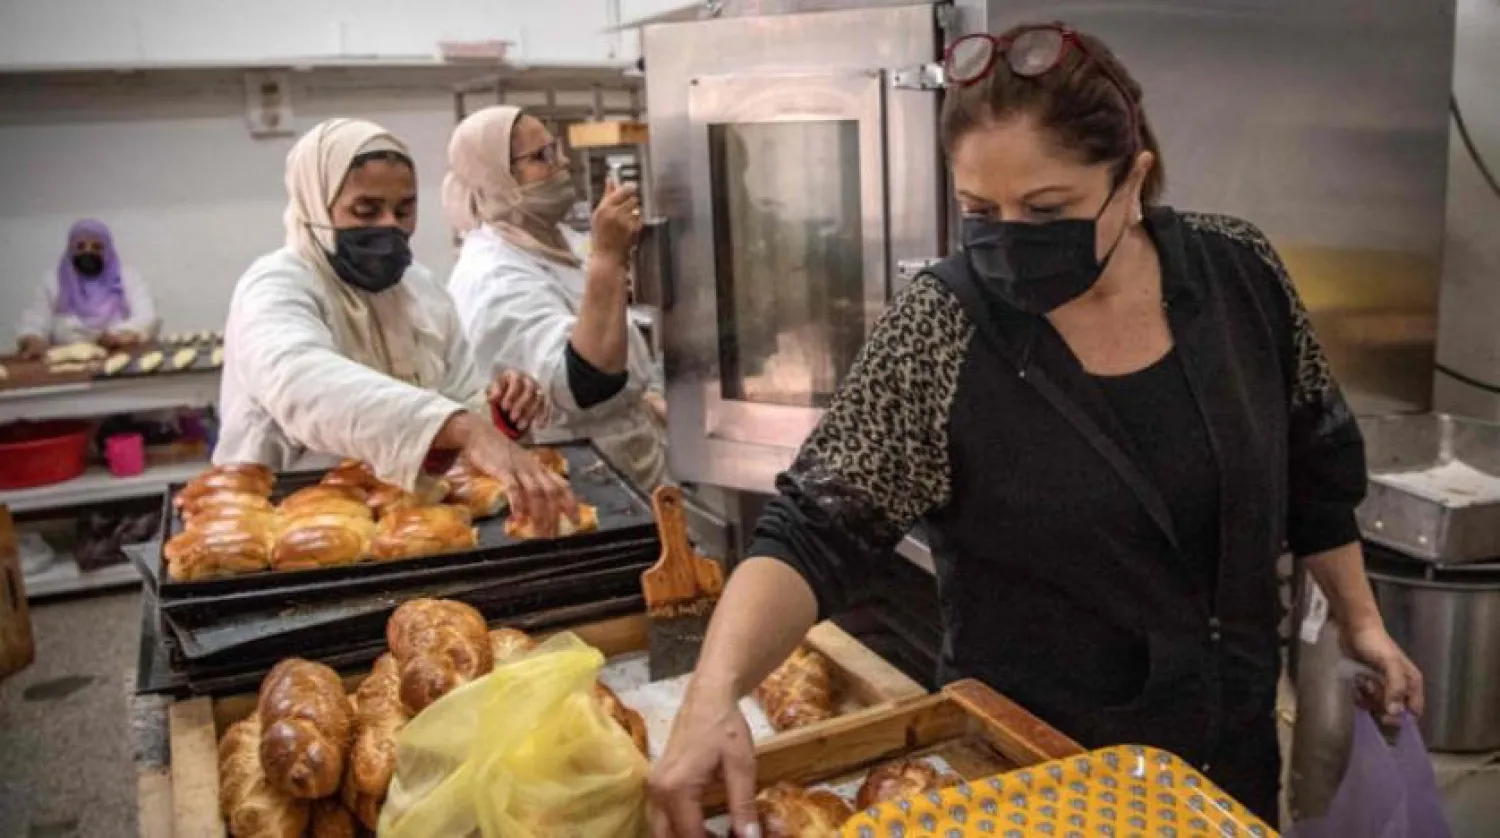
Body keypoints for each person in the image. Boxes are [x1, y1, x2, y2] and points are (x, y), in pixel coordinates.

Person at [647, 23, 1423, 833]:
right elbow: (812, 533)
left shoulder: (1238, 275)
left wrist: (1363, 625)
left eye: (1047, 209)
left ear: (1134, 182)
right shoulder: (943, 325)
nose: (1009, 238)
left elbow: (1318, 467)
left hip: (1228, 758)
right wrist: (713, 693)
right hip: (1033, 777)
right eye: (980, 210)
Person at [215, 117, 572, 527]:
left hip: (399, 520)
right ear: (315, 203)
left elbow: (458, 399)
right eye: (366, 210)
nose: (389, 225)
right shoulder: (277, 285)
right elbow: (302, 383)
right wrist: (460, 426)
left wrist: (499, 413)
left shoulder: (421, 290)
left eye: (404, 210)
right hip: (281, 519)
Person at [444, 105, 666, 490]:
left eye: (557, 149)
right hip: (575, 475)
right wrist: (609, 258)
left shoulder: (559, 242)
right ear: (497, 176)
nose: (562, 163)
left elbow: (608, 336)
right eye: (541, 157)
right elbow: (582, 385)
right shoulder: (492, 273)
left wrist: (642, 399)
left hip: (628, 461)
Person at [16, 219, 158, 357]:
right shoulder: (53, 281)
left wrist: (122, 335)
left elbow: (147, 317)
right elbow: (35, 320)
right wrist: (32, 339)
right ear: (70, 249)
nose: (88, 252)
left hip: (119, 359)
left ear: (108, 251)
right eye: (80, 246)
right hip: (66, 363)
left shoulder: (127, 278)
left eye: (97, 247)